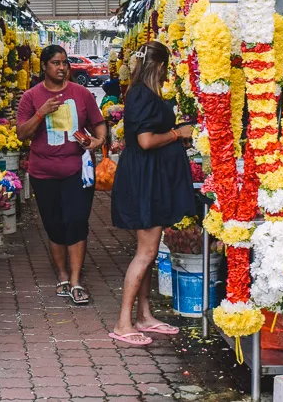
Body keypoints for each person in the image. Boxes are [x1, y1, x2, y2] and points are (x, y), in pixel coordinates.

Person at [109, 41, 195, 346]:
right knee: (146, 253)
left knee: (147, 251)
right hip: (146, 179)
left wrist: (173, 140)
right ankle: (123, 323)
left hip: (151, 177)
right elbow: (145, 140)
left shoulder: (143, 92)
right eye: (166, 67)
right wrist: (177, 133)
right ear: (159, 66)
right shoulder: (143, 94)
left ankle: (144, 315)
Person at [17, 45, 106, 305]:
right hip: (43, 172)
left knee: (76, 221)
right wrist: (40, 113)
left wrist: (97, 142)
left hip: (77, 171)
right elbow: (22, 134)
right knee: (54, 224)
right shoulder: (31, 97)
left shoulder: (81, 94)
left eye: (65, 63)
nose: (62, 67)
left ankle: (77, 279)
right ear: (44, 66)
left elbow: (98, 124)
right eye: (56, 63)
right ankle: (63, 274)